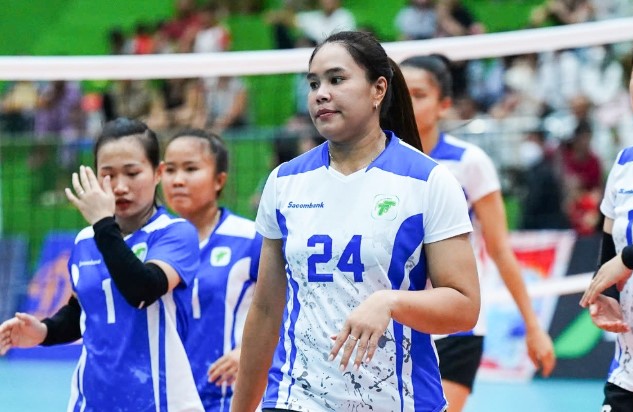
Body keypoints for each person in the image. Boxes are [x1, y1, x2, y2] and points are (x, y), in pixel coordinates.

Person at [231, 30, 480, 412]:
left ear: (378, 89)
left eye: (336, 79)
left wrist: (391, 302)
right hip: (297, 398)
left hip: (398, 400)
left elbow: (464, 307)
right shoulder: (285, 182)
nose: (321, 93)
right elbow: (265, 310)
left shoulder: (427, 181)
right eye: (314, 83)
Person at [0, 118, 204, 411]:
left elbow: (142, 291)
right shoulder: (86, 239)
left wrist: (104, 223)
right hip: (91, 402)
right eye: (108, 175)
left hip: (160, 401)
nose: (120, 186)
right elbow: (83, 311)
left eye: (132, 173)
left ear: (158, 173)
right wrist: (44, 331)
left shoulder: (175, 233)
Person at [400, 54, 556, 412]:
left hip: (457, 324)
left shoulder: (469, 162)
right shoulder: (378, 164)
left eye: (419, 94)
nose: (407, 104)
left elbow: (500, 249)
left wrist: (533, 326)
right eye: (401, 95)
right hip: (398, 319)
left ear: (444, 105)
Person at [579, 32, 633, 411]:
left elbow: (623, 255)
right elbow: (609, 244)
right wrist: (607, 295)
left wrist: (630, 258)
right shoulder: (626, 163)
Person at [160, 128, 262, 411]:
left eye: (190, 169)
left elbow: (289, 310)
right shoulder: (151, 242)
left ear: (219, 180)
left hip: (231, 398)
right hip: (166, 399)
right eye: (170, 170)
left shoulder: (250, 239)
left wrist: (249, 352)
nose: (178, 180)